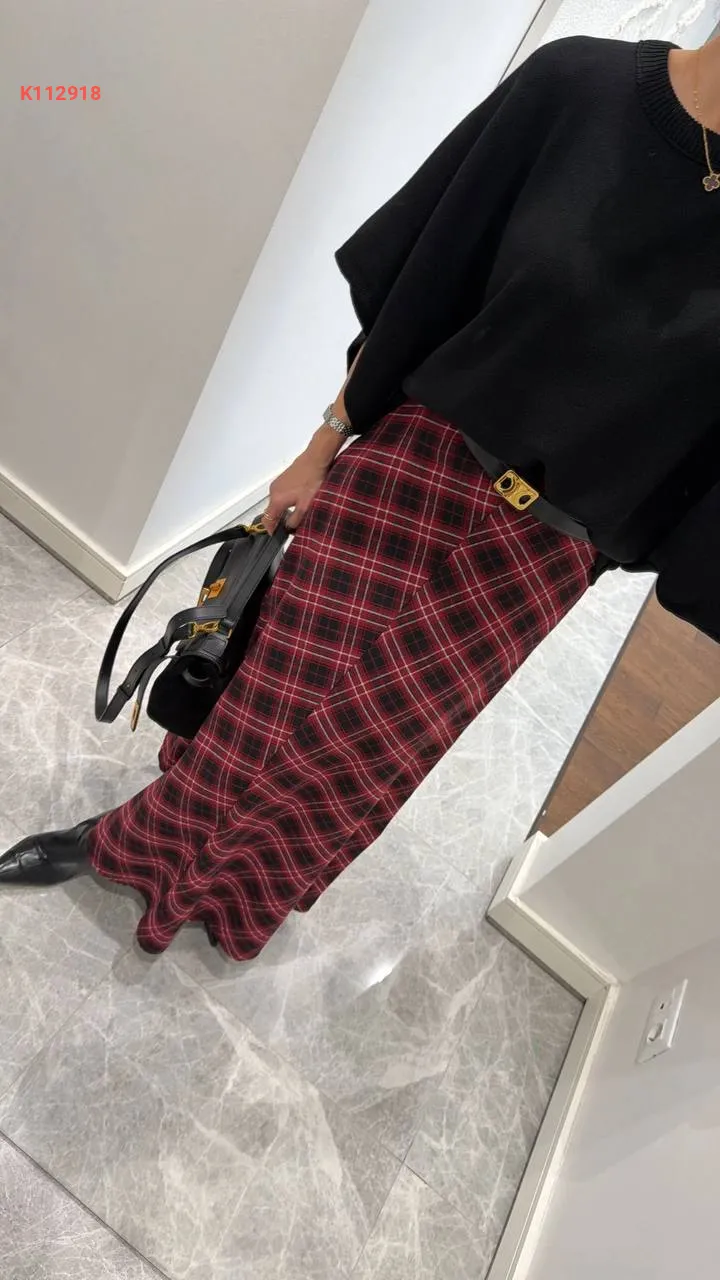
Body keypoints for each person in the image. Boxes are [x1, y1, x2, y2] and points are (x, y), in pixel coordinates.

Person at [2, 35, 719, 959]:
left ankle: (243, 893)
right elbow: (427, 282)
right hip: (416, 465)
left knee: (365, 750)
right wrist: (323, 441)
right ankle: (127, 843)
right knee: (273, 686)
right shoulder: (577, 89)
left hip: (544, 553)